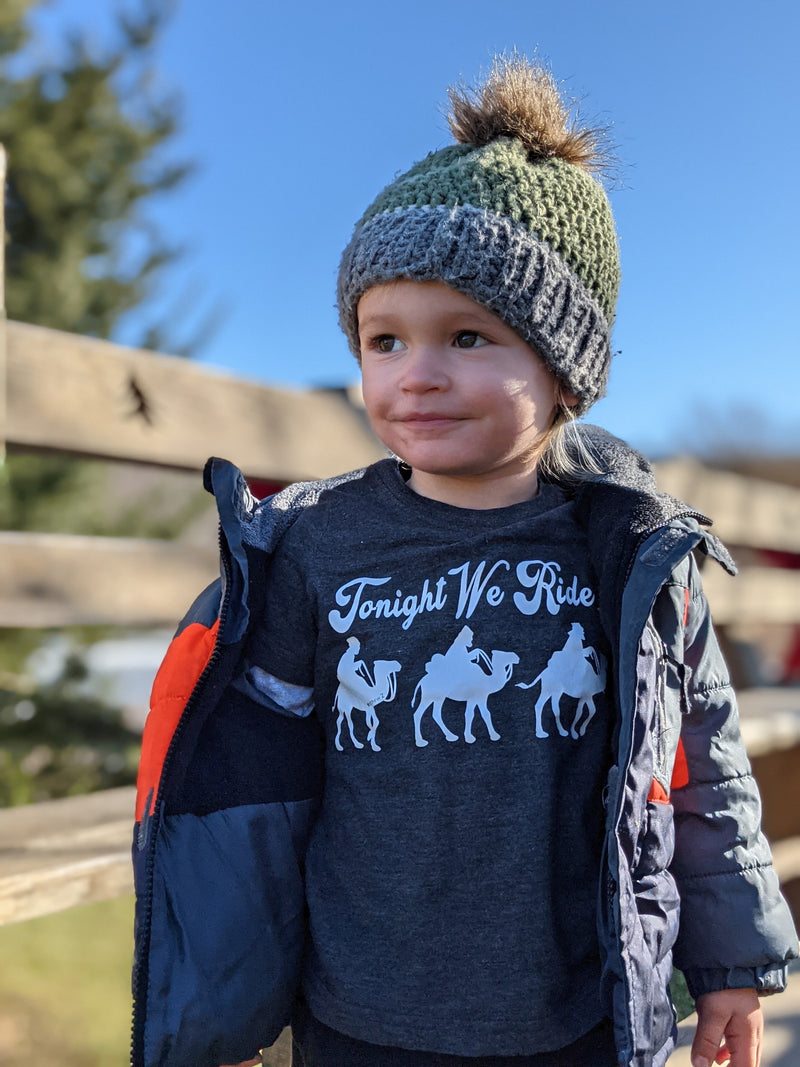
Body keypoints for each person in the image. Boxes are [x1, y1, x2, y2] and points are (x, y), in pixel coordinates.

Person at [131, 56, 798, 1067]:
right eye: (383, 339)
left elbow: (700, 761)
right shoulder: (313, 545)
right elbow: (252, 782)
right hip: (360, 1011)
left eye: (468, 335)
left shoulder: (630, 553)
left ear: (565, 368)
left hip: (576, 1009)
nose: (417, 375)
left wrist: (731, 961)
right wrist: (219, 1005)